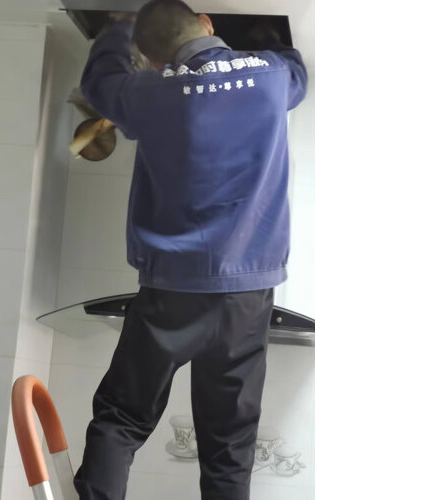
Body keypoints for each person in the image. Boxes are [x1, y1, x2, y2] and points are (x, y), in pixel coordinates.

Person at [72, 1, 308, 499]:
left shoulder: (147, 91)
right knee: (229, 446)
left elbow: (100, 81)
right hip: (247, 296)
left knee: (121, 420)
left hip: (171, 291)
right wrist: (262, 39)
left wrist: (118, 29)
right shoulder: (271, 77)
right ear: (206, 23)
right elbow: (296, 69)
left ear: (153, 58)